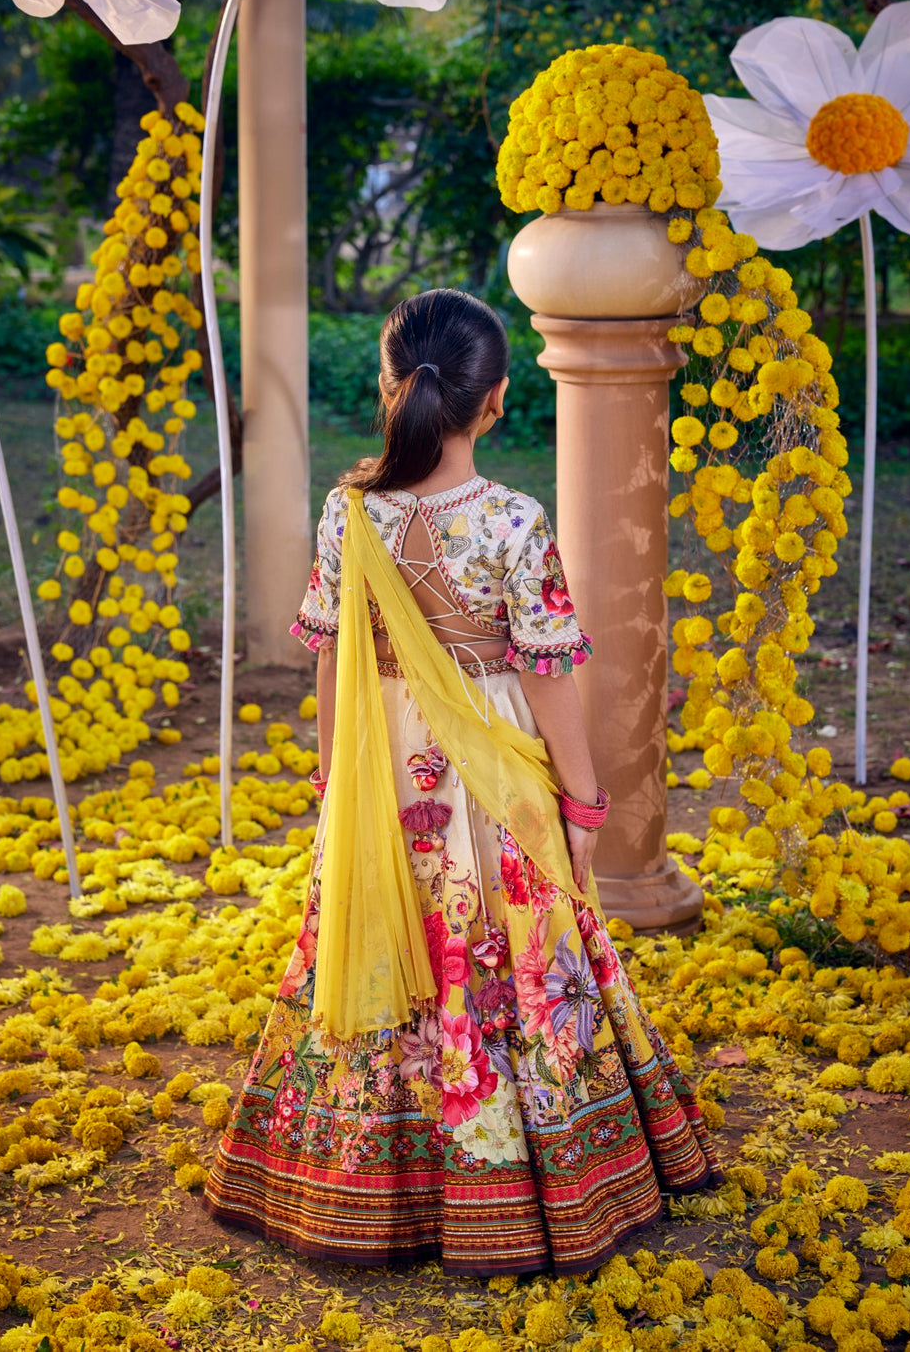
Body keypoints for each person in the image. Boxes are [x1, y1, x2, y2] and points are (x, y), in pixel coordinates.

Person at [204, 288, 722, 1276]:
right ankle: (532, 1181)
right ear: (497, 401)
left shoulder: (348, 510)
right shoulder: (512, 522)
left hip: (379, 772)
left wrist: (334, 782)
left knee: (377, 955)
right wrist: (582, 803)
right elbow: (549, 672)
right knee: (505, 958)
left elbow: (328, 656)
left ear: (391, 388)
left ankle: (365, 1178)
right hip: (491, 776)